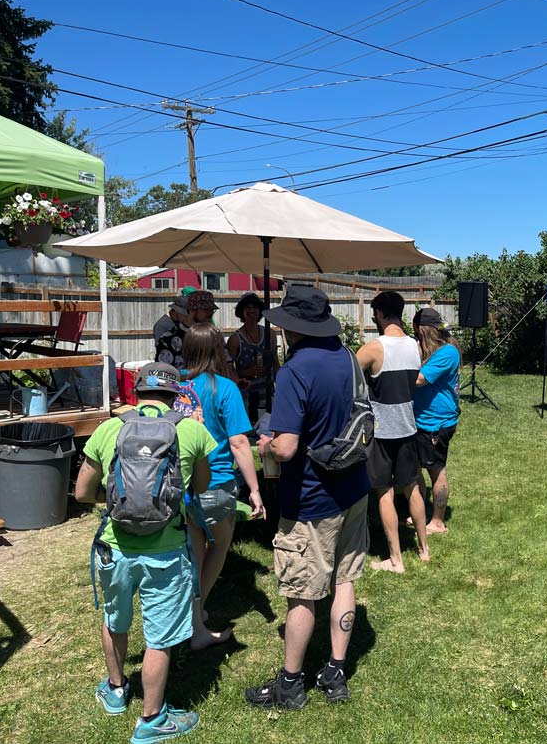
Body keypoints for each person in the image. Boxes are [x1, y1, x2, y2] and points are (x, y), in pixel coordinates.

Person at [74, 362, 217, 742]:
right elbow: (201, 485)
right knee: (159, 636)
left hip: (115, 547)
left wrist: (116, 501)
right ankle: (152, 719)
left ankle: (117, 689)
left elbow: (82, 493)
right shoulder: (190, 430)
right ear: (177, 394)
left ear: (136, 391)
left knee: (115, 618)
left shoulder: (110, 428)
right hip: (167, 550)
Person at [246, 285, 370, 710]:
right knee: (345, 579)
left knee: (302, 592)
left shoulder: (295, 371)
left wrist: (264, 445)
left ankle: (290, 683)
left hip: (313, 499)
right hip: (354, 487)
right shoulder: (349, 358)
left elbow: (286, 447)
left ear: (291, 330)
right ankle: (335, 673)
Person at [181, 322, 266, 650]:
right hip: (215, 483)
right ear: (219, 350)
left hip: (180, 487)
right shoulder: (225, 388)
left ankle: (191, 615)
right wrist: (255, 489)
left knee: (193, 553)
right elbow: (240, 442)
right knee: (217, 547)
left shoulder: (175, 387)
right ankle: (196, 616)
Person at [355, 291, 428, 573]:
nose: (374, 318)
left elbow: (348, 375)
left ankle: (396, 559)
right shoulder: (416, 346)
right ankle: (423, 549)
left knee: (384, 492)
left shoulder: (373, 348)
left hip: (383, 432)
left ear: (381, 313)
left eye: (374, 313)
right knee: (412, 490)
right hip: (409, 427)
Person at [412, 308, 461, 534]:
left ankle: (438, 522)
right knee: (415, 469)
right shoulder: (432, 351)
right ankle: (420, 513)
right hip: (422, 420)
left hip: (437, 423)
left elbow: (420, 379)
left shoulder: (447, 353)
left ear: (422, 330)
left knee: (436, 471)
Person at [226, 292, 274, 425]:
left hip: (268, 391)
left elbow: (275, 362)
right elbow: (229, 370)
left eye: (254, 307)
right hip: (247, 394)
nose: (251, 310)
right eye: (247, 307)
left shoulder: (269, 334)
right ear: (241, 312)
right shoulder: (235, 339)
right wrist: (248, 372)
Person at [153, 294, 190, 371]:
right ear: (176, 312)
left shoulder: (180, 324)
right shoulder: (162, 325)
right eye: (184, 314)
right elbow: (161, 348)